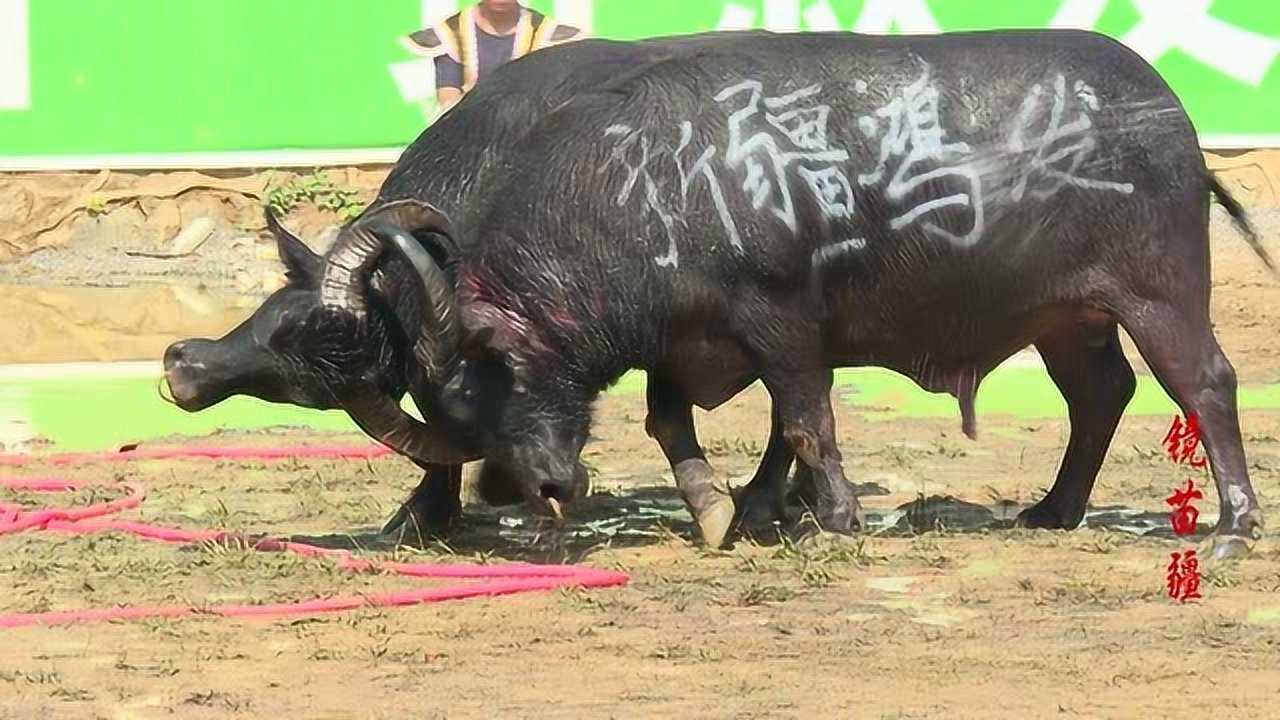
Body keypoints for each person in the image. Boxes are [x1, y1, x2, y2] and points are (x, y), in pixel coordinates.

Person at [402, 0, 584, 113]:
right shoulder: (451, 32)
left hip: (530, 135)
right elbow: (448, 95)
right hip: (467, 132)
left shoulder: (546, 34)